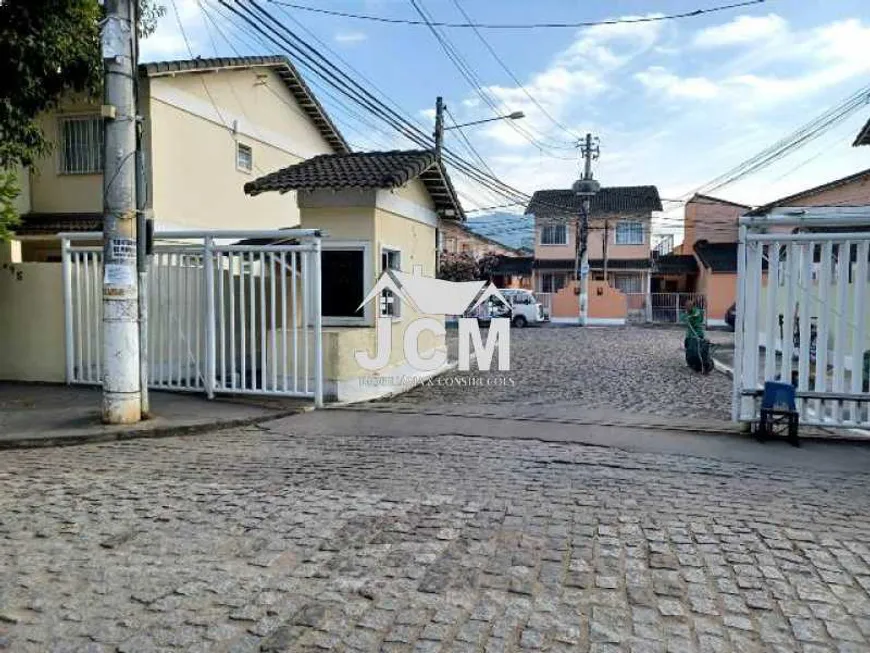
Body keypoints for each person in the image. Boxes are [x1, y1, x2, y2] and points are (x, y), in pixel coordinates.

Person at [683, 299, 712, 374]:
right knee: (688, 347)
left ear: (692, 306)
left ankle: (702, 364)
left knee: (699, 349)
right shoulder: (687, 312)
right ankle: (690, 362)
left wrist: (690, 318)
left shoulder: (697, 312)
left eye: (688, 307)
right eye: (686, 307)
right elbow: (683, 317)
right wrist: (686, 318)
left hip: (697, 333)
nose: (686, 308)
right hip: (690, 334)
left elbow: (698, 318)